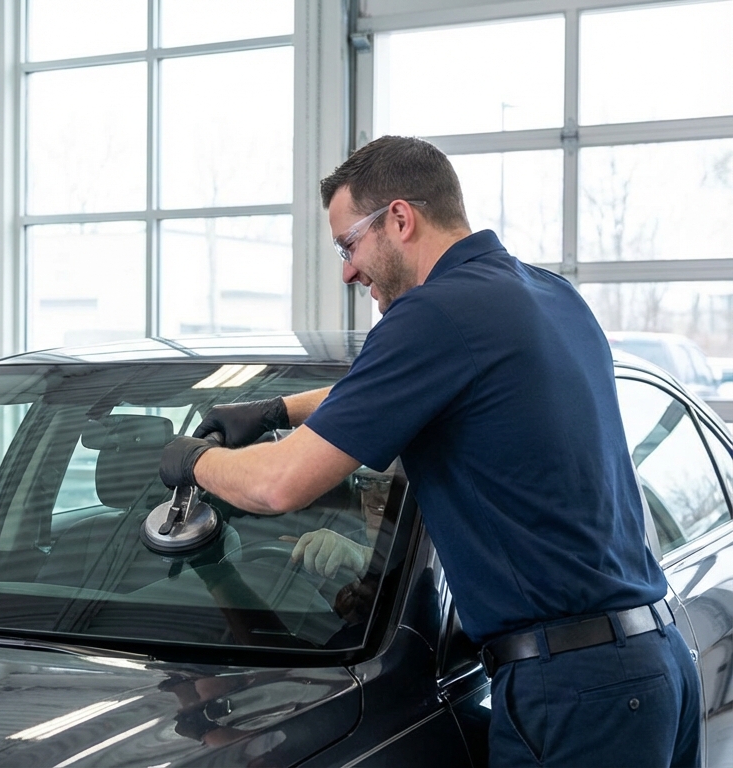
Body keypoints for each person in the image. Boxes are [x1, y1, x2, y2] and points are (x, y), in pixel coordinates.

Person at [159, 136, 701, 766]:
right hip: (653, 665)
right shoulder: (549, 296)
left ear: (399, 218)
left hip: (573, 689)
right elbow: (403, 388)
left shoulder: (432, 315)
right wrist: (276, 410)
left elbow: (280, 483)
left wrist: (191, 461)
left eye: (348, 244)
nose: (347, 271)